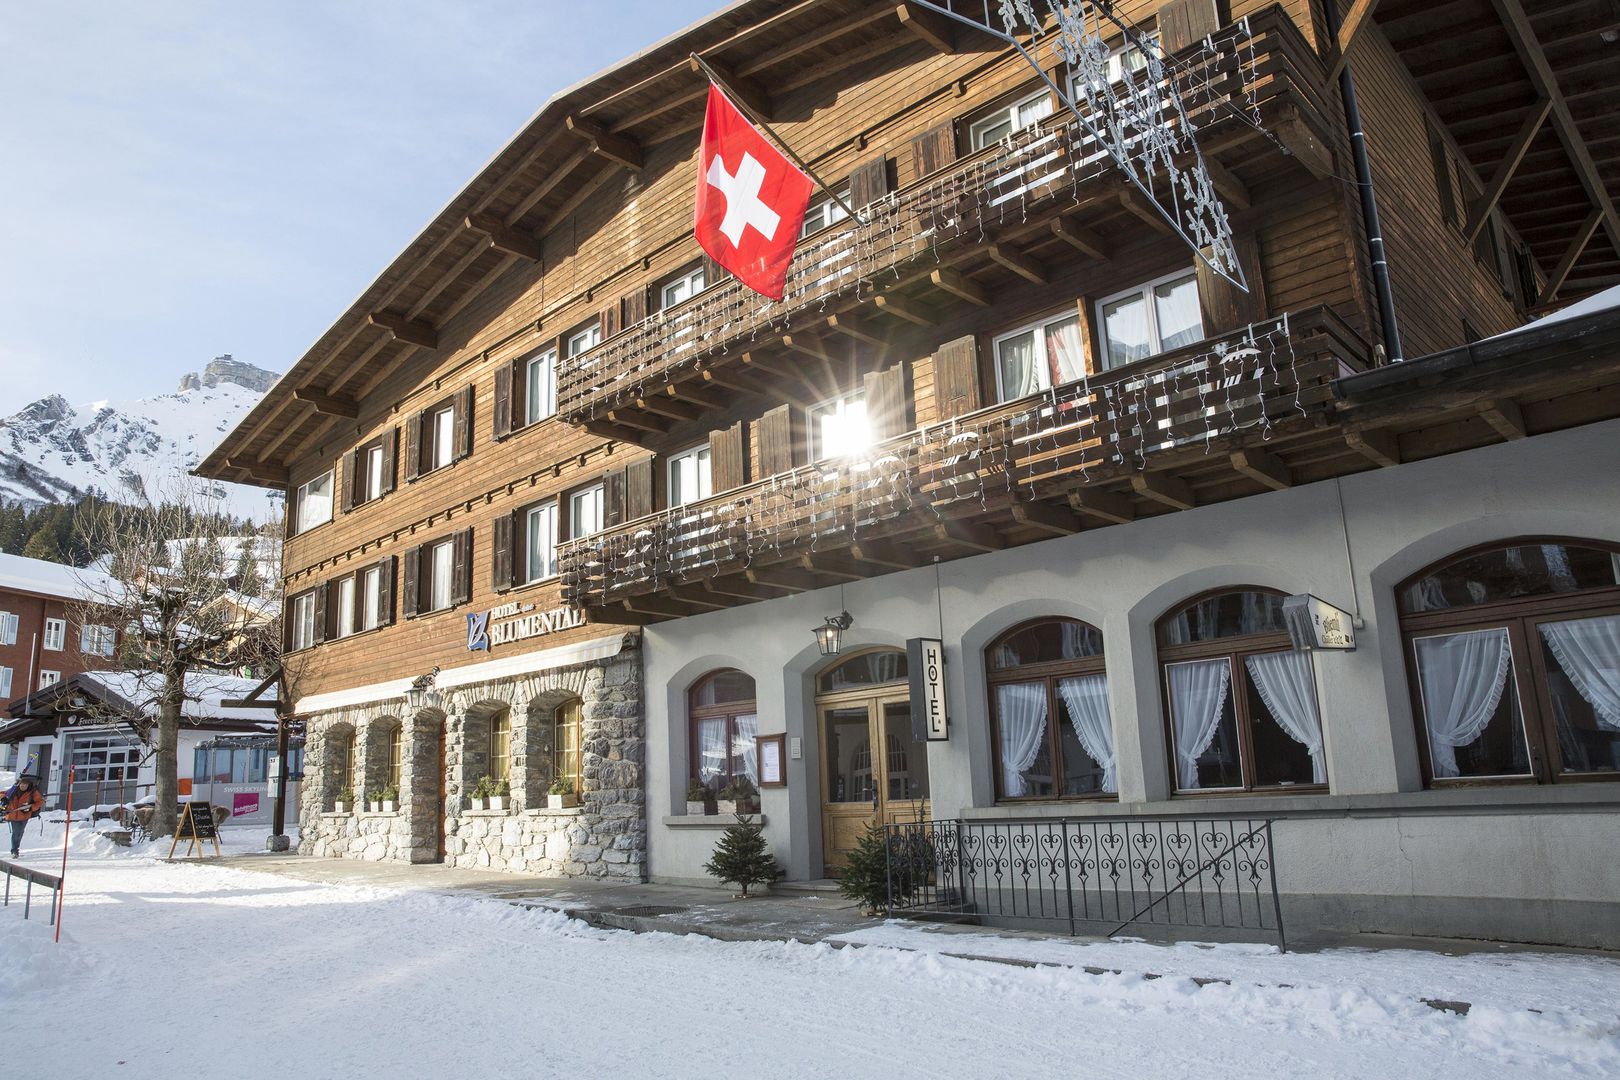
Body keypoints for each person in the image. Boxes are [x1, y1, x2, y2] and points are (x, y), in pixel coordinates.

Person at [2, 776, 45, 859]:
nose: (23, 787)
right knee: (16, 832)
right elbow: (2, 793)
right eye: (21, 785)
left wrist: (31, 808)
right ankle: (14, 850)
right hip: (13, 816)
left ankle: (16, 848)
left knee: (20, 832)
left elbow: (40, 801)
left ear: (28, 785)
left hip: (24, 816)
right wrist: (4, 798)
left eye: (25, 785)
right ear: (19, 784)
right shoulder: (13, 791)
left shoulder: (32, 792)